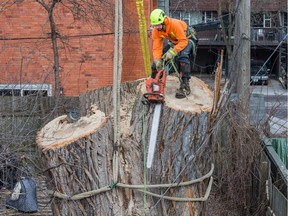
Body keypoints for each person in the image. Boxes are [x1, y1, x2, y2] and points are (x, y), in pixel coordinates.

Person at [150, 8, 196, 99]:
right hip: (174, 42)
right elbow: (157, 47)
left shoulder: (173, 24)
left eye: (158, 25)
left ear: (163, 21)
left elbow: (183, 41)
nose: (157, 27)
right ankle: (155, 84)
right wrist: (157, 60)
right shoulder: (156, 31)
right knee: (156, 63)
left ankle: (185, 86)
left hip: (187, 39)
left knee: (183, 58)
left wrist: (172, 52)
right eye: (155, 25)